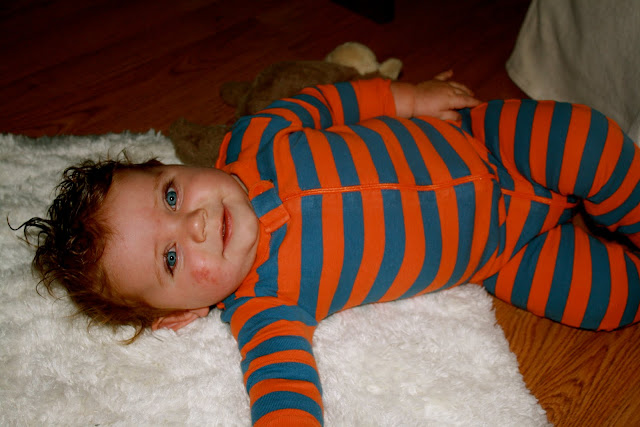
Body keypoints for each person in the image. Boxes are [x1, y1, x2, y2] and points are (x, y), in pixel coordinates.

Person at [18, 71, 640, 426]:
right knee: (609, 301)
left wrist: (408, 99)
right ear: (180, 315)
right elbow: (281, 386)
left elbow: (327, 103)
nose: (196, 225)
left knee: (585, 143)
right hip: (503, 251)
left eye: (172, 196)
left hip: (491, 143)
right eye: (171, 259)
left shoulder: (254, 138)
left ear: (172, 167)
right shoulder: (263, 307)